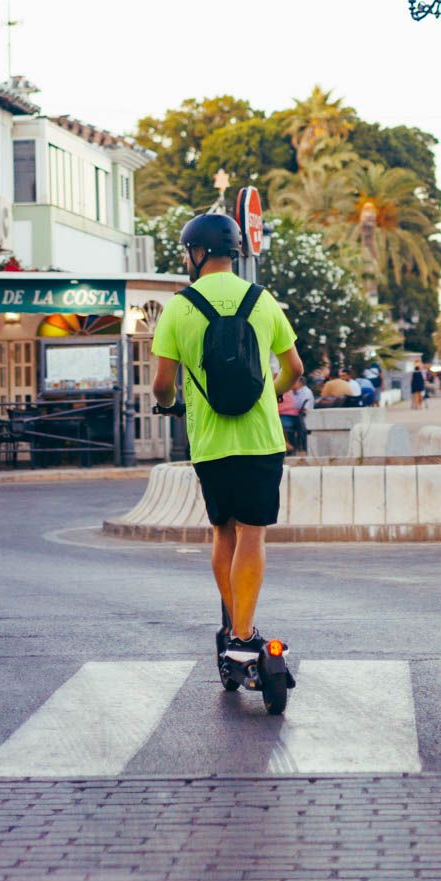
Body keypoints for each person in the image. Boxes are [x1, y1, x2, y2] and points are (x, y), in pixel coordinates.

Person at [151, 212, 303, 656]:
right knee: (253, 534)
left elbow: (162, 384)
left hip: (210, 443)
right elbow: (294, 369)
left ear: (198, 253)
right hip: (262, 440)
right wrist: (268, 397)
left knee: (223, 532)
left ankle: (238, 631)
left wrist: (168, 406)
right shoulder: (262, 300)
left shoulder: (179, 307)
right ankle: (243, 633)